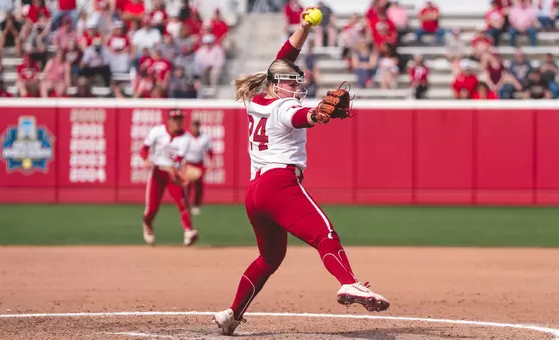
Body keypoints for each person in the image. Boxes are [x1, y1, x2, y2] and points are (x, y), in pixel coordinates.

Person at [212, 6, 390, 336]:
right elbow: (301, 116)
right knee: (324, 233)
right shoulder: (284, 106)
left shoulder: (256, 98)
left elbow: (283, 59)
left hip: (254, 193)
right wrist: (319, 115)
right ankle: (349, 283)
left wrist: (303, 29)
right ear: (276, 85)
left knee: (269, 258)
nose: (296, 87)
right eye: (292, 83)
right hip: (280, 184)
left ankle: (231, 315)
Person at [139, 109, 199, 246]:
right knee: (152, 209)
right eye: (175, 119)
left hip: (173, 173)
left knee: (183, 202)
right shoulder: (157, 131)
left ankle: (188, 232)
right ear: (169, 120)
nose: (178, 122)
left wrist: (178, 171)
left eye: (180, 119)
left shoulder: (186, 138)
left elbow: (179, 158)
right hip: (157, 172)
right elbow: (143, 149)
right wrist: (146, 159)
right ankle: (147, 224)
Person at [184, 120, 213, 216]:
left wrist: (211, 163)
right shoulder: (186, 137)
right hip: (188, 163)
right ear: (190, 127)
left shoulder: (205, 137)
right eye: (194, 126)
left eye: (197, 126)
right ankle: (185, 204)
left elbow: (209, 151)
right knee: (186, 185)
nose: (195, 128)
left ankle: (196, 205)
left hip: (199, 163)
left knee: (198, 185)